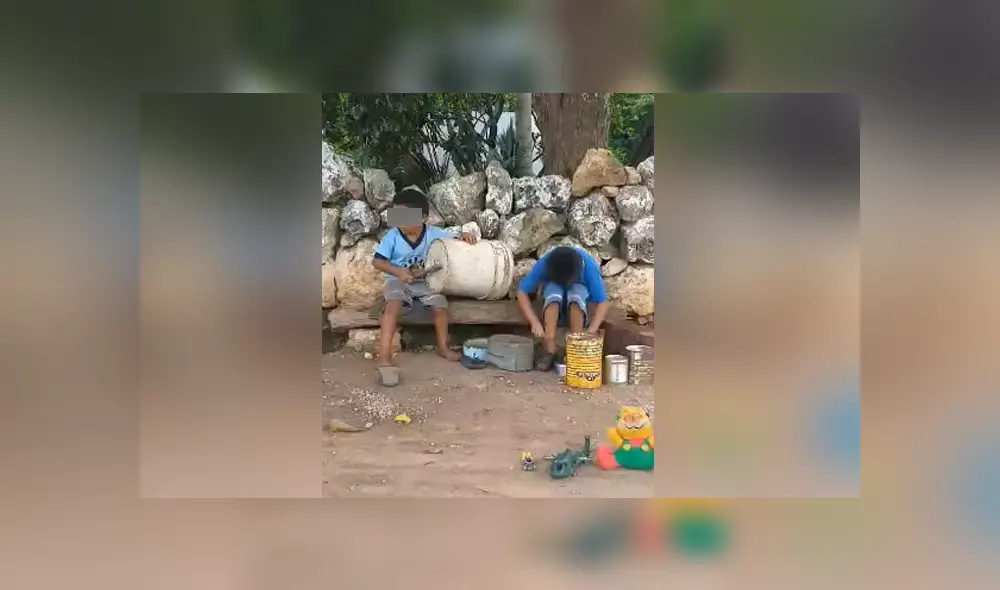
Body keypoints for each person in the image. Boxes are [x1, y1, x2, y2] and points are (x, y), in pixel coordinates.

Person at [371, 187, 477, 366]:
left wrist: (464, 236)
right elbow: (377, 262)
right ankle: (385, 354)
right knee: (391, 307)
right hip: (397, 281)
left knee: (440, 306)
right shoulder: (392, 237)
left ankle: (443, 347)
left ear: (423, 218)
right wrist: (398, 272)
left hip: (425, 283)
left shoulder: (435, 234)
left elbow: (453, 239)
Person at [515, 245, 610, 371]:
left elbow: (602, 302)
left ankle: (575, 349)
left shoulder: (588, 265)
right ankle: (550, 350)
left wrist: (591, 331)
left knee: (577, 293)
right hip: (553, 301)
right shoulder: (546, 263)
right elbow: (522, 292)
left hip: (578, 304)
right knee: (553, 291)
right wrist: (534, 322)